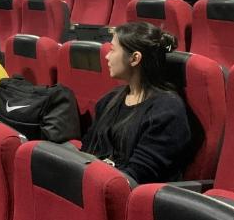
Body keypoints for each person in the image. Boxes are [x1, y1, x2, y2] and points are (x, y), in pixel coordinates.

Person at [81, 22, 192, 184]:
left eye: (112, 50)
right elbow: (86, 150)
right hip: (97, 183)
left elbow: (139, 174)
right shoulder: (109, 100)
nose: (107, 56)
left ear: (134, 58)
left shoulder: (167, 110)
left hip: (132, 192)